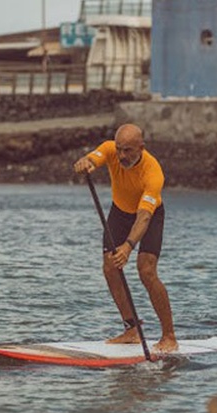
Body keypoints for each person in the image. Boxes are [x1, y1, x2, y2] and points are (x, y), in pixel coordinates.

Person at [73, 123, 179, 352]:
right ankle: (131, 329)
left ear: (141, 147)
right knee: (110, 267)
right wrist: (86, 163)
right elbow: (93, 158)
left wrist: (129, 246)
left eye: (128, 150)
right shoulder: (110, 149)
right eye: (119, 149)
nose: (121, 155)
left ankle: (169, 335)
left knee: (146, 270)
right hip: (120, 212)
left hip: (148, 216)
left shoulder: (153, 173)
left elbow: (143, 218)